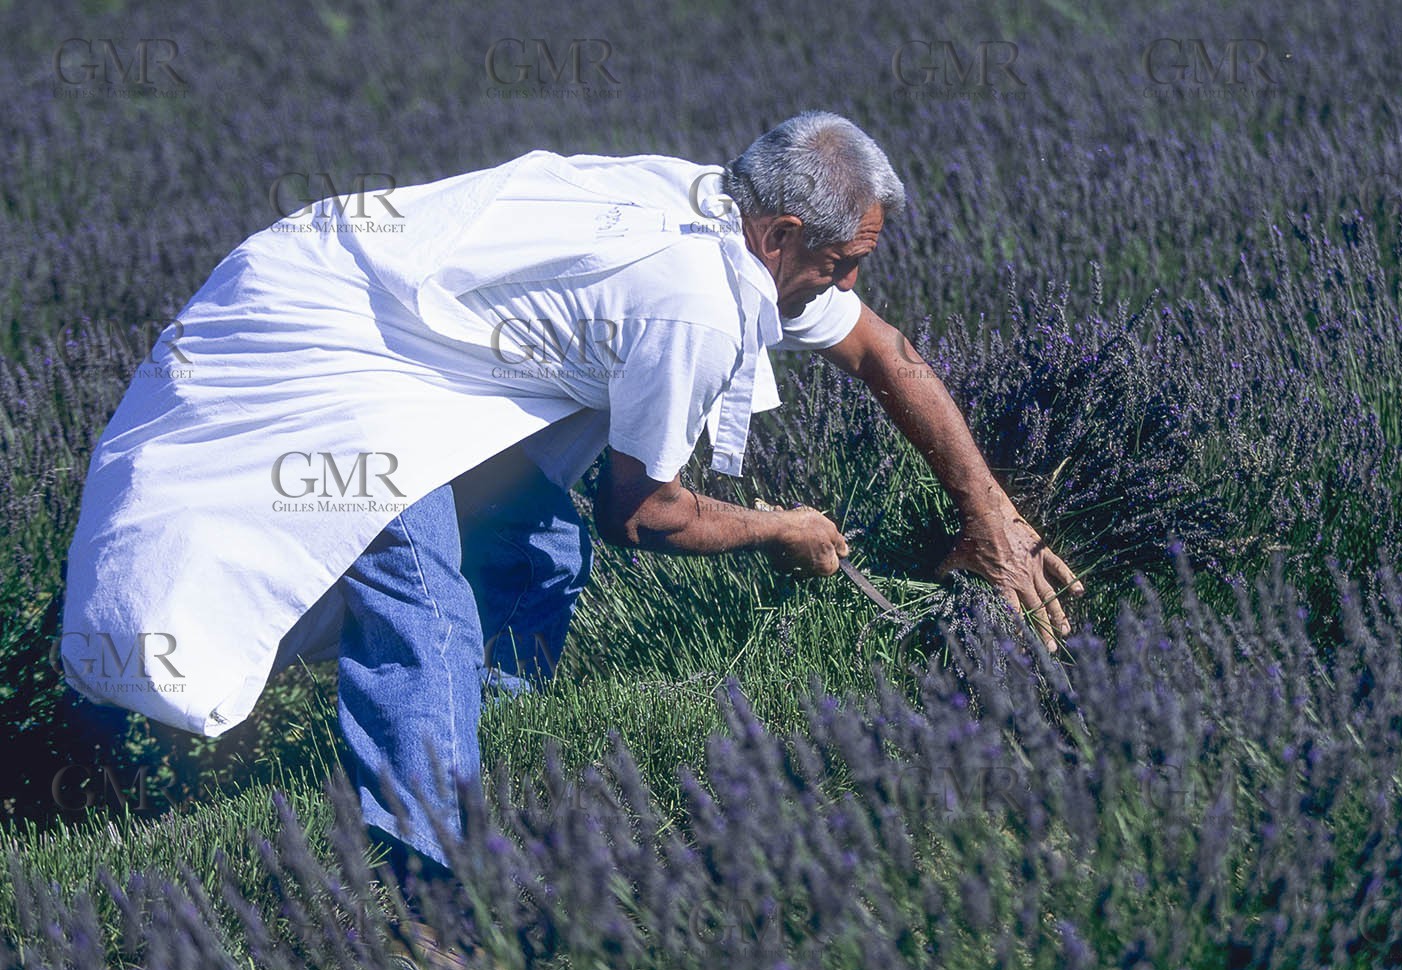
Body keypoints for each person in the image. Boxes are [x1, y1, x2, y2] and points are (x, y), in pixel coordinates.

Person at [60, 111, 1084, 888]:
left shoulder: (731, 232)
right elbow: (642, 513)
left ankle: (486, 752)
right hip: (326, 342)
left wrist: (989, 516)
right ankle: (427, 885)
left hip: (416, 333)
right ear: (779, 233)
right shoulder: (692, 296)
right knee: (418, 580)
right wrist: (785, 527)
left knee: (532, 549)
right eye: (843, 261)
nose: (845, 282)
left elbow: (881, 351)